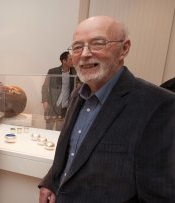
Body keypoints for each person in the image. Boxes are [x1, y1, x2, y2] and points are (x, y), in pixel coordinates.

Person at [39, 16, 175, 203]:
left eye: (98, 43)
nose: (85, 53)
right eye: (78, 47)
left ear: (124, 49)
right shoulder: (78, 94)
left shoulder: (158, 105)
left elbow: (160, 194)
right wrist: (51, 181)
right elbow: (70, 151)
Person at [41, 51, 76, 130]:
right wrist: (45, 101)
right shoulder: (53, 71)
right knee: (48, 129)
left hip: (65, 107)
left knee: (59, 131)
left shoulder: (75, 73)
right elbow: (44, 87)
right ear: (64, 61)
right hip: (52, 106)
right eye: (70, 59)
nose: (73, 61)